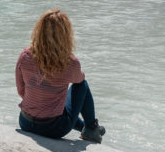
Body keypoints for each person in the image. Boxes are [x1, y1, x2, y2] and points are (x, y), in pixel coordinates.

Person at [16, 8, 105, 143]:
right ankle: (91, 127)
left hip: (26, 122)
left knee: (53, 107)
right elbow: (80, 79)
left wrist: (42, 105)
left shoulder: (24, 56)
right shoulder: (70, 63)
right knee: (81, 85)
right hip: (54, 129)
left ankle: (88, 128)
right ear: (65, 35)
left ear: (38, 31)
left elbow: (21, 91)